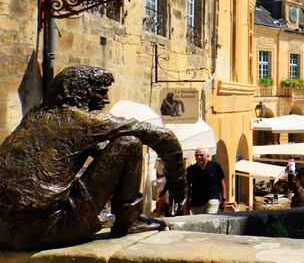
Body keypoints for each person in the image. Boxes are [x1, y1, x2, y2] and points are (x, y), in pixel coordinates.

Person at [0, 66, 186, 250]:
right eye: (100, 93)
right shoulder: (83, 121)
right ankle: (128, 221)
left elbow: (101, 155)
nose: (106, 100)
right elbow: (165, 138)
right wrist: (178, 187)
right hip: (45, 231)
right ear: (79, 93)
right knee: (129, 142)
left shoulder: (34, 117)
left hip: (6, 232)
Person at [185, 148, 227, 215]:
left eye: (201, 155)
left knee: (209, 219)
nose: (199, 157)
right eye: (197, 155)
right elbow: (188, 188)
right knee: (198, 223)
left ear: (207, 156)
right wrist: (186, 204)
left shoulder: (215, 166)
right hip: (196, 202)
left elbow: (221, 183)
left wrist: (224, 200)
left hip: (212, 199)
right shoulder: (190, 170)